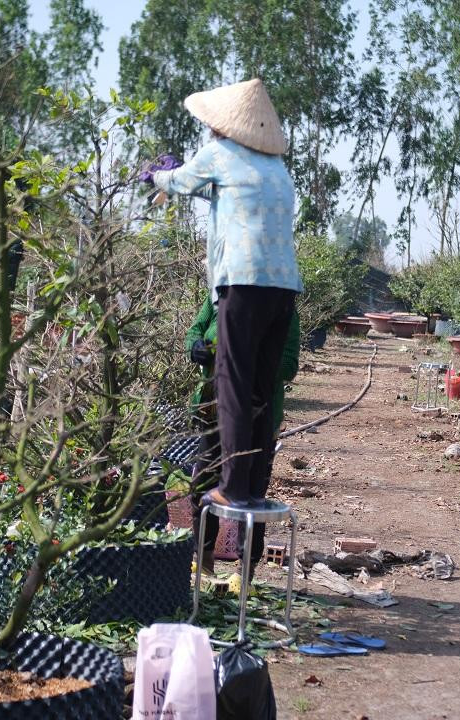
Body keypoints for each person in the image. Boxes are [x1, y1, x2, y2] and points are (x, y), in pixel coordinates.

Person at [151, 78, 302, 512]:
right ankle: (252, 485)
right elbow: (225, 194)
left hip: (243, 282)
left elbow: (180, 181)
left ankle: (233, 487)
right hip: (284, 289)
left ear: (223, 126)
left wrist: (154, 176)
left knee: (231, 383)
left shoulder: (219, 153)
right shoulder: (276, 169)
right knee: (260, 389)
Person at [185, 298, 300, 574]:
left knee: (250, 494)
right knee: (202, 485)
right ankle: (204, 561)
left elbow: (288, 364)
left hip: (257, 416)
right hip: (214, 412)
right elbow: (195, 330)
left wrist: (244, 363)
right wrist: (197, 347)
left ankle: (245, 570)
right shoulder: (217, 299)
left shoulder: (281, 307)